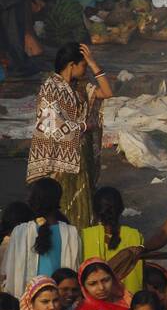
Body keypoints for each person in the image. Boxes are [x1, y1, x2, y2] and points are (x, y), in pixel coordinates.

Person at [27, 43, 113, 228]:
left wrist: (93, 63)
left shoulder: (80, 86)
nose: (84, 70)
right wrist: (83, 125)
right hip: (60, 158)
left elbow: (107, 92)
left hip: (81, 152)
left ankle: (80, 238)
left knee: (83, 200)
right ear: (71, 65)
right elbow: (50, 124)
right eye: (82, 65)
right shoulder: (50, 88)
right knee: (64, 201)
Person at [2, 179, 81, 292]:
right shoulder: (71, 233)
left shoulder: (20, 232)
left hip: (27, 301)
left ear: (32, 201)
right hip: (60, 301)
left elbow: (7, 273)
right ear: (58, 200)